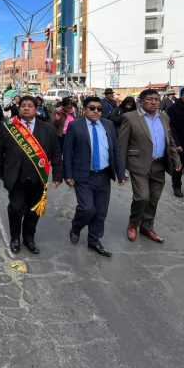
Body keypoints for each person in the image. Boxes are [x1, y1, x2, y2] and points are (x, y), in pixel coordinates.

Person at [0, 95, 62, 255]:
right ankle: (15, 238)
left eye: (30, 105)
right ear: (19, 108)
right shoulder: (8, 127)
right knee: (16, 209)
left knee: (33, 211)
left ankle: (29, 238)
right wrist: (2, 173)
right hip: (16, 178)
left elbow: (56, 153)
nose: (26, 108)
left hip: (38, 179)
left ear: (36, 109)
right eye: (23, 105)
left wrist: (58, 174)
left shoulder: (48, 129)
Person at [63, 96, 125, 257]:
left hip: (104, 175)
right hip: (84, 175)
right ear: (84, 109)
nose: (96, 111)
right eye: (92, 108)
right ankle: (76, 226)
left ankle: (94, 240)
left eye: (99, 108)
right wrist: (68, 174)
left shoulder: (108, 125)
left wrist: (120, 172)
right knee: (87, 208)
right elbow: (67, 152)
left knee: (100, 212)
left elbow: (115, 151)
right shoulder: (75, 126)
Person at [118, 89, 181, 243]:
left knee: (154, 198)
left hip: (159, 165)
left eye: (156, 99)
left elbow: (170, 141)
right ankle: (133, 224)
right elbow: (121, 145)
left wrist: (176, 158)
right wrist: (120, 171)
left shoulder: (164, 118)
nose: (154, 102)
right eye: (150, 99)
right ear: (140, 101)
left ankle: (147, 227)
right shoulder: (130, 118)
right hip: (138, 164)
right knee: (142, 197)